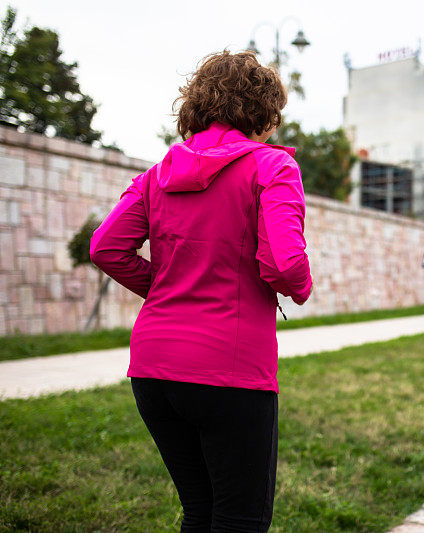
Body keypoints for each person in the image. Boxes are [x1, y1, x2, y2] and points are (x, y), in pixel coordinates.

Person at [90, 50, 312, 532]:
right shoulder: (272, 166)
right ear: (263, 112)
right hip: (230, 370)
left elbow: (107, 247)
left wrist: (163, 288)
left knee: (201, 510)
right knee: (240, 519)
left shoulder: (158, 174)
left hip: (153, 368)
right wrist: (299, 287)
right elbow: (286, 263)